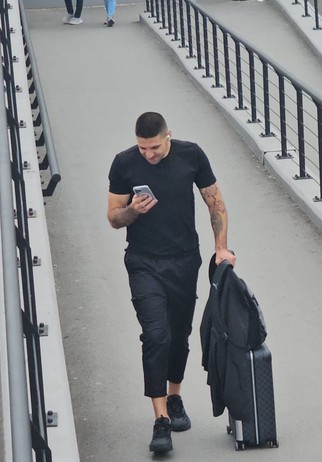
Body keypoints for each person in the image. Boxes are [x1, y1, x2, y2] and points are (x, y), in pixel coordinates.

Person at [107, 111, 236, 454]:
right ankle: (160, 418)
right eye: (142, 148)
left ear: (168, 137)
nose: (147, 154)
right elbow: (113, 217)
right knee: (155, 334)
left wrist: (221, 248)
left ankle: (175, 397)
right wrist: (133, 210)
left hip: (184, 259)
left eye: (153, 147)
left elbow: (215, 202)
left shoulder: (191, 155)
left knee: (179, 334)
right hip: (143, 262)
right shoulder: (123, 163)